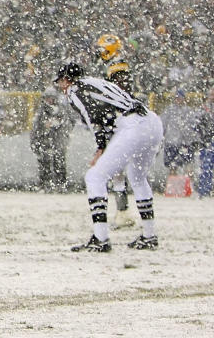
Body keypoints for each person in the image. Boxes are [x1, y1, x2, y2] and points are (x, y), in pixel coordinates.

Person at [54, 63, 163, 252]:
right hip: (151, 121)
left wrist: (101, 146)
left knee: (94, 177)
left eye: (61, 82)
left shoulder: (75, 89)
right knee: (137, 178)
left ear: (66, 79)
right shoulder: (97, 82)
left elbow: (93, 116)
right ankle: (149, 235)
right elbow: (111, 111)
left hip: (132, 125)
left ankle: (101, 238)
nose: (61, 87)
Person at [92, 33, 137, 227]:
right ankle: (122, 211)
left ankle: (122, 212)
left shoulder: (117, 66)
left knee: (117, 170)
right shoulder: (112, 65)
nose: (100, 53)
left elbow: (119, 93)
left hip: (119, 120)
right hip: (116, 119)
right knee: (117, 171)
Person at [29, 87, 71, 192]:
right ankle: (45, 184)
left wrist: (58, 125)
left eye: (51, 98)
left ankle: (60, 184)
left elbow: (67, 124)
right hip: (45, 141)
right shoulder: (41, 111)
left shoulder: (60, 110)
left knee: (59, 163)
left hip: (58, 141)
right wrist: (43, 129)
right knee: (44, 164)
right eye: (48, 98)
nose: (49, 100)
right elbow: (36, 127)